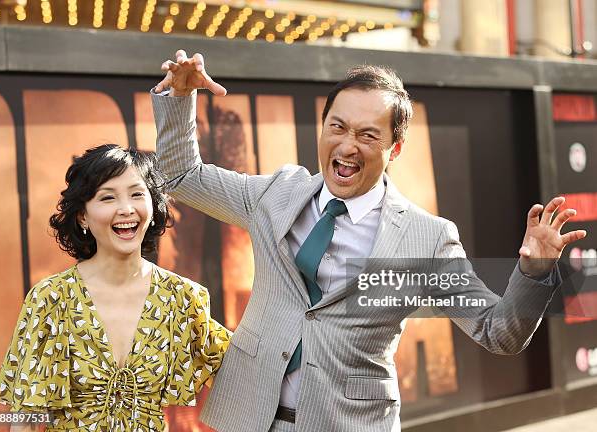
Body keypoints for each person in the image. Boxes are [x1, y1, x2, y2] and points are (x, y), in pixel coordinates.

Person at [151, 51, 586, 432]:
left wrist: (536, 269)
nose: (347, 145)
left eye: (367, 135)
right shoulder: (276, 194)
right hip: (248, 416)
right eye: (337, 128)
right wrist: (180, 99)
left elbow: (498, 333)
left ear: (395, 149)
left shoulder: (426, 238)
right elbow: (182, 176)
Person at [0, 144, 231, 431]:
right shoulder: (51, 299)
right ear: (82, 216)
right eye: (108, 197)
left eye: (137, 194)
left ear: (153, 207)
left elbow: (247, 372)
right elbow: (25, 421)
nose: (126, 209)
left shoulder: (182, 298)